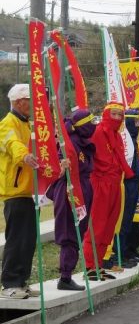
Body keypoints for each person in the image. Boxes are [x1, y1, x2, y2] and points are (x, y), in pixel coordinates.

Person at [82, 102, 134, 280]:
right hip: (99, 183)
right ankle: (89, 265)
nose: (118, 118)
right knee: (97, 225)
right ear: (106, 114)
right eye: (114, 114)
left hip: (114, 183)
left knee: (109, 226)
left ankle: (99, 264)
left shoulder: (117, 137)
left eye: (121, 115)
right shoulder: (97, 132)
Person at [46, 109, 96, 291]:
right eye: (90, 123)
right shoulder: (67, 143)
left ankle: (68, 274)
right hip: (69, 190)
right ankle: (65, 277)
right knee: (69, 232)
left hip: (83, 188)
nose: (93, 126)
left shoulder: (84, 142)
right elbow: (54, 166)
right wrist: (61, 165)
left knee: (79, 231)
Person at [0, 84, 42, 298]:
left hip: (29, 190)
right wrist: (24, 156)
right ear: (18, 102)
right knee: (17, 238)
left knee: (28, 239)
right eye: (30, 100)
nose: (33, 104)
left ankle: (21, 281)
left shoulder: (27, 124)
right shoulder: (8, 123)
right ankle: (9, 284)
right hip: (15, 191)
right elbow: (13, 144)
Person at [112, 109, 139, 269]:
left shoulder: (133, 140)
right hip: (125, 185)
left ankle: (124, 252)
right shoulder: (125, 141)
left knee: (128, 221)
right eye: (137, 122)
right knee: (122, 221)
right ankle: (118, 254)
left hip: (133, 184)